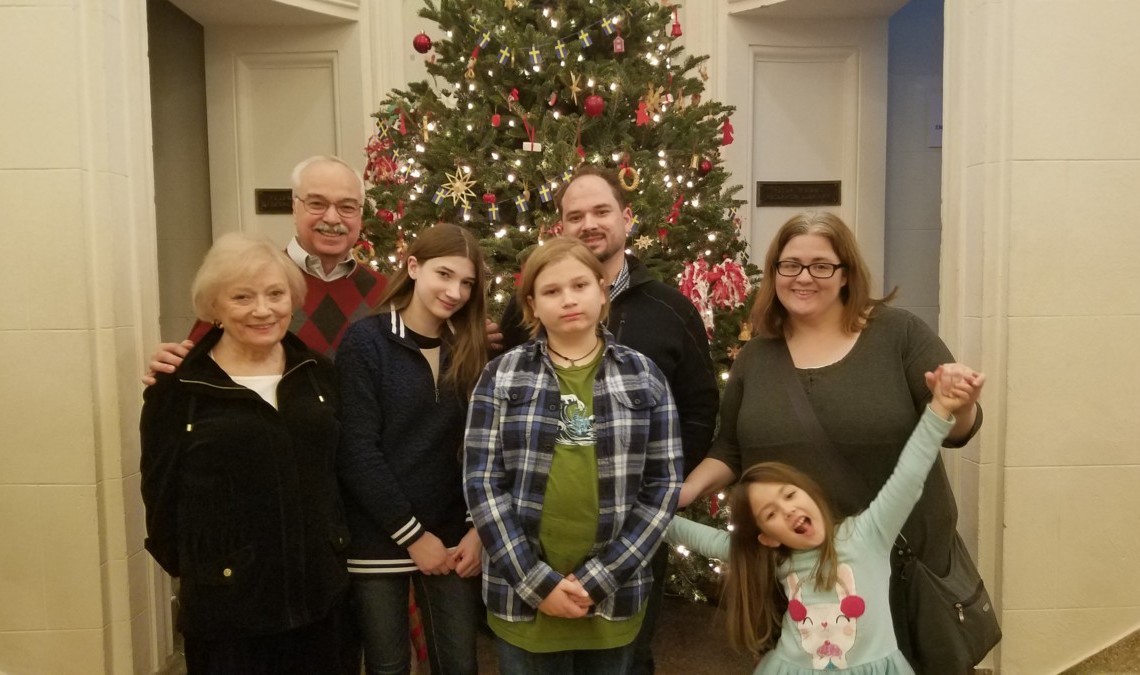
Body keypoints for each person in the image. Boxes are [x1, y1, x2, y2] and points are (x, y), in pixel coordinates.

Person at [679, 211, 984, 662]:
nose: (804, 277)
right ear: (774, 272)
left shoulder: (898, 334)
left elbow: (956, 431)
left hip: (905, 569)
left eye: (821, 265)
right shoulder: (756, 358)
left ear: (845, 274)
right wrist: (679, 494)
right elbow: (731, 451)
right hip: (807, 577)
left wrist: (958, 401)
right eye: (790, 265)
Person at [499, 165, 719, 672]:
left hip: (633, 522)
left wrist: (663, 493)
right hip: (538, 528)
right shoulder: (521, 318)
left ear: (627, 217)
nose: (589, 223)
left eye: (601, 211)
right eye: (575, 215)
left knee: (628, 652)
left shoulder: (671, 309)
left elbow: (701, 405)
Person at [667, 365, 985, 673]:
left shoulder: (869, 533)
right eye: (771, 513)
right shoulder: (776, 558)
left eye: (790, 495)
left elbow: (910, 473)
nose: (787, 509)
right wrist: (645, 518)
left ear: (811, 495)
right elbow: (706, 539)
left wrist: (940, 408)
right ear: (768, 537)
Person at [464, 237, 683, 675]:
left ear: (602, 292)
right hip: (522, 598)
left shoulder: (644, 375)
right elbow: (482, 482)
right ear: (532, 306)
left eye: (580, 285)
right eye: (551, 291)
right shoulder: (502, 374)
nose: (568, 299)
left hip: (611, 598)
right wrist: (536, 583)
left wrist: (599, 579)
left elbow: (663, 485)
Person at [140, 233, 350, 674]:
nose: (262, 310)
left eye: (276, 294)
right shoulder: (180, 389)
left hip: (319, 599)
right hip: (228, 612)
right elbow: (160, 500)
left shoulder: (318, 376)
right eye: (242, 297)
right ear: (214, 307)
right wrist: (210, 568)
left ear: (292, 299)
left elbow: (338, 475)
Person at [336, 223, 488, 675]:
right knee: (387, 666)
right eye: (444, 275)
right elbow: (357, 451)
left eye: (466, 283)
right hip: (379, 536)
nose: (455, 291)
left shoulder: (466, 348)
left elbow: (479, 449)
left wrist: (475, 531)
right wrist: (413, 537)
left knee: (459, 664)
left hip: (452, 538)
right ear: (413, 266)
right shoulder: (367, 342)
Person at [144, 154, 388, 381]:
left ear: (360, 213)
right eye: (317, 204)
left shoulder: (386, 291)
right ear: (295, 207)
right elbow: (195, 364)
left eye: (347, 207)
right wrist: (171, 364)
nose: (332, 218)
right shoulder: (244, 281)